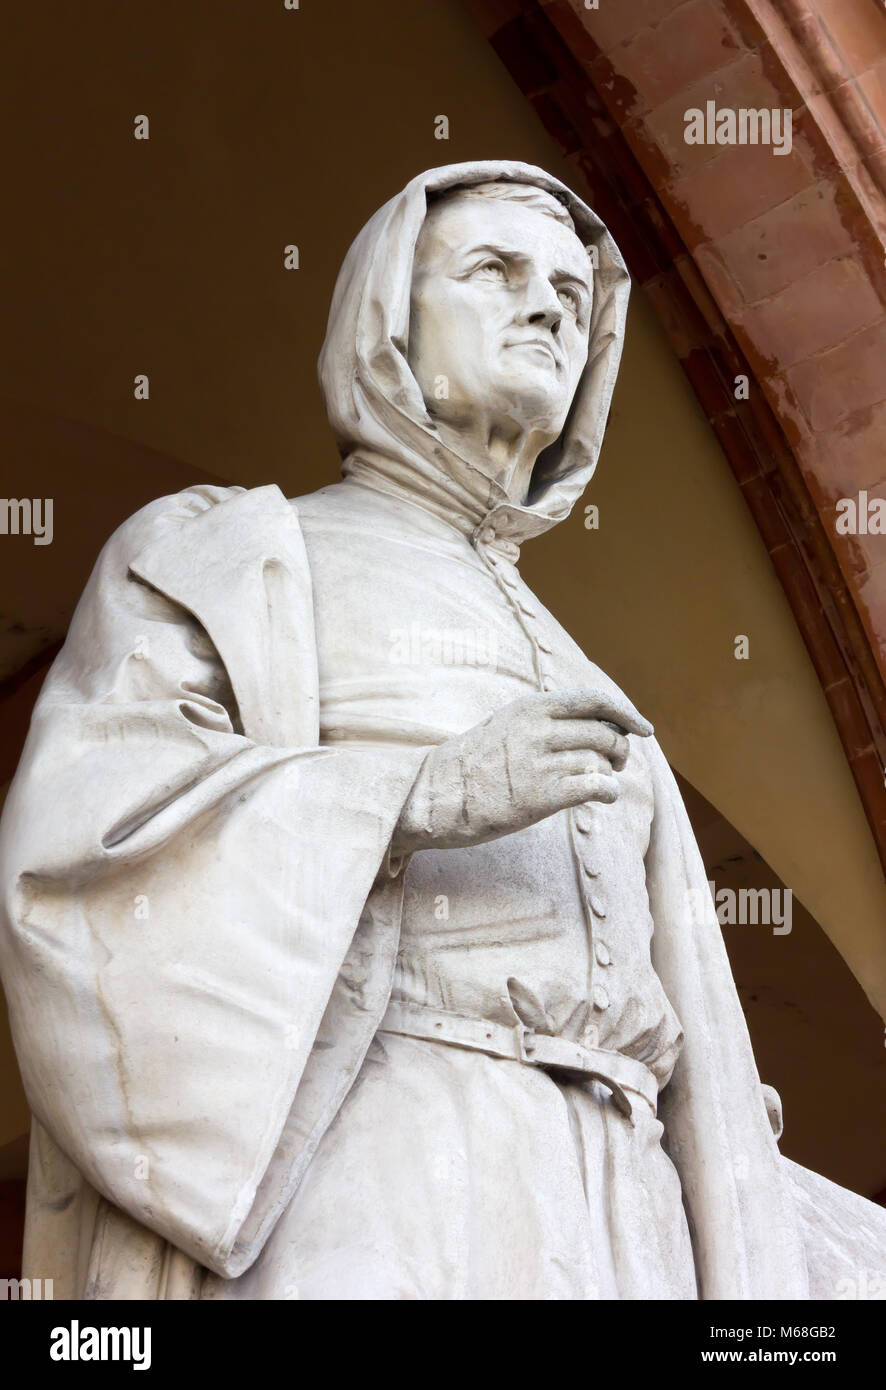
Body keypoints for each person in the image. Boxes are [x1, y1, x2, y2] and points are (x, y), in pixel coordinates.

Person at [2, 162, 882, 1300]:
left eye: (571, 296)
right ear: (387, 319)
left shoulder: (578, 654)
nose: (546, 309)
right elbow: (84, 845)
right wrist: (415, 798)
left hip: (625, 1207)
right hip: (391, 1149)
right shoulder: (230, 555)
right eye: (497, 272)